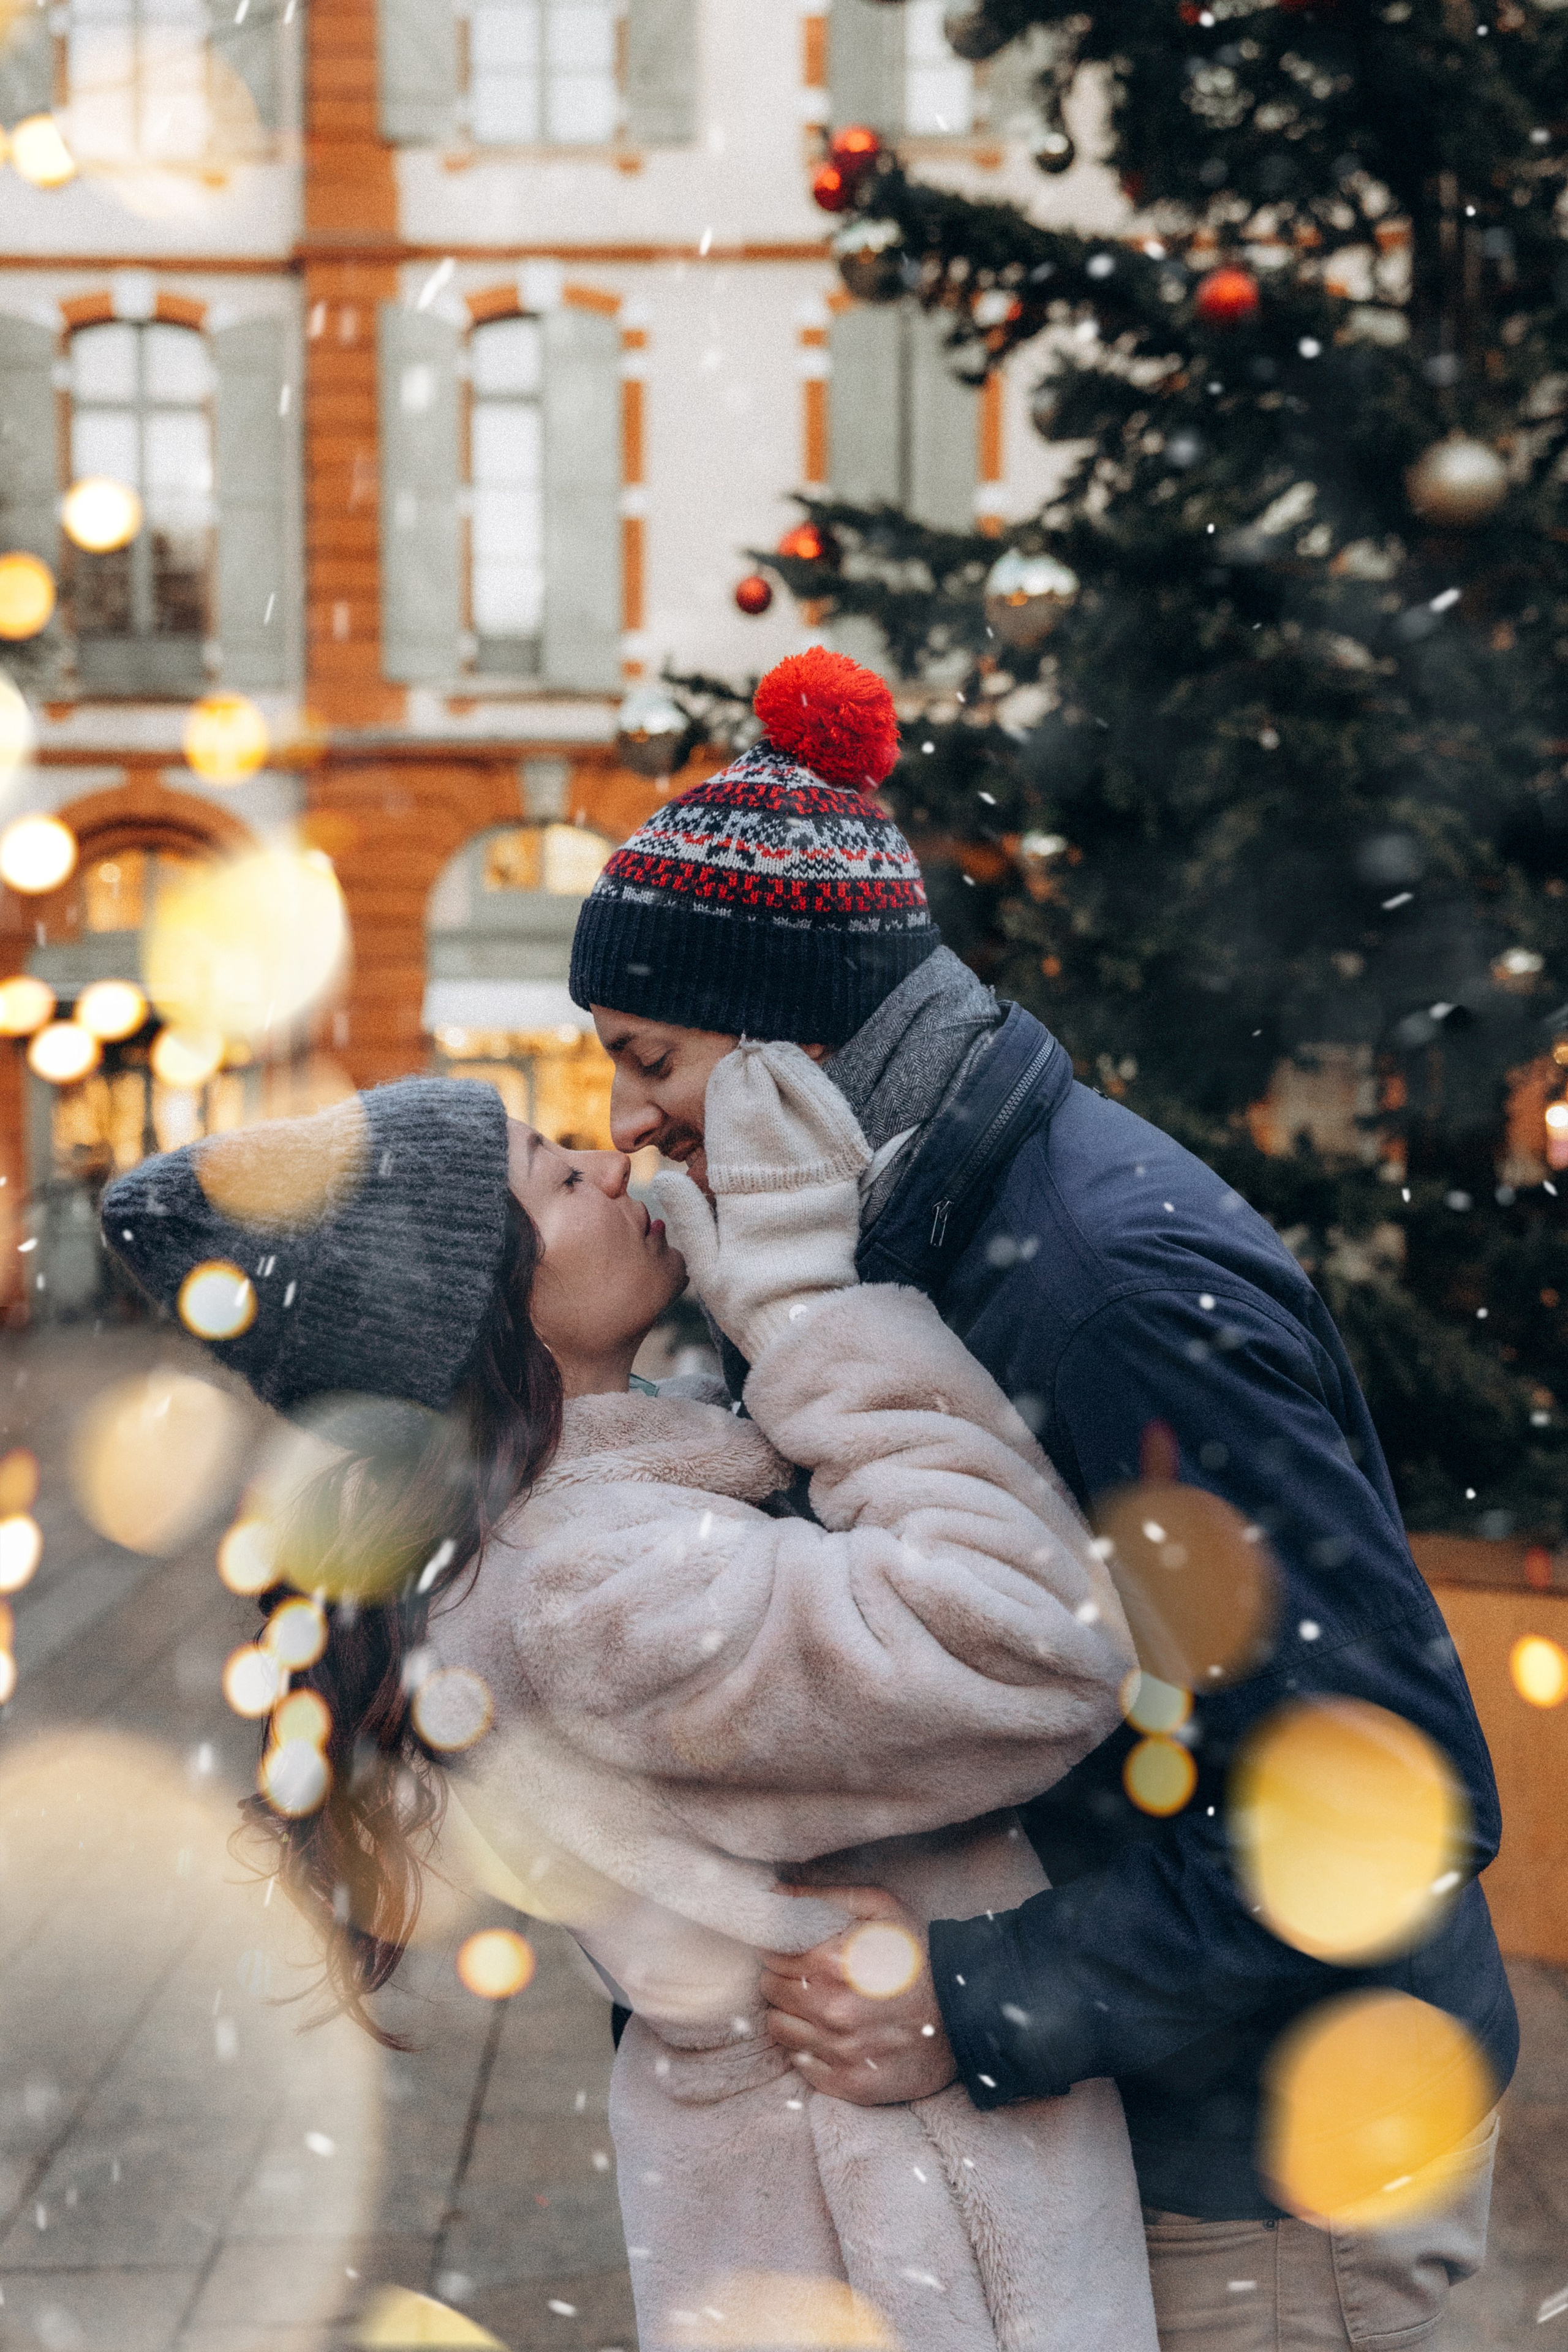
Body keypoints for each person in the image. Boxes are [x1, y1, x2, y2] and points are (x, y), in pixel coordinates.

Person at [567, 646, 1518, 2350]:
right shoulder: (897, 1233)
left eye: (652, 1059)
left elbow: (1396, 1799)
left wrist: (986, 1997)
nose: (629, 1126)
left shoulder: (1104, 1290)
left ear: (798, 1047)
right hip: (1180, 2149)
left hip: (1279, 2194)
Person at [100, 1058, 1159, 2352]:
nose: (611, 1164)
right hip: (884, 2235)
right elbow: (1031, 1642)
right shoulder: (590, 1592)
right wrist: (803, 1304)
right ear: (490, 1313)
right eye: (556, 1176)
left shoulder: (575, 1528)